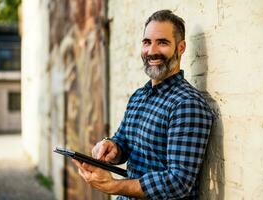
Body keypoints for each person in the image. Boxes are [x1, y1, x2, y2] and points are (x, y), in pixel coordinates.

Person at [72, 10, 214, 200]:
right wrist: (111, 147)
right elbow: (122, 141)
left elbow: (178, 183)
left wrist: (114, 186)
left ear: (181, 48)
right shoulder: (139, 96)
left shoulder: (187, 105)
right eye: (147, 42)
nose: (152, 51)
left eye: (162, 42)